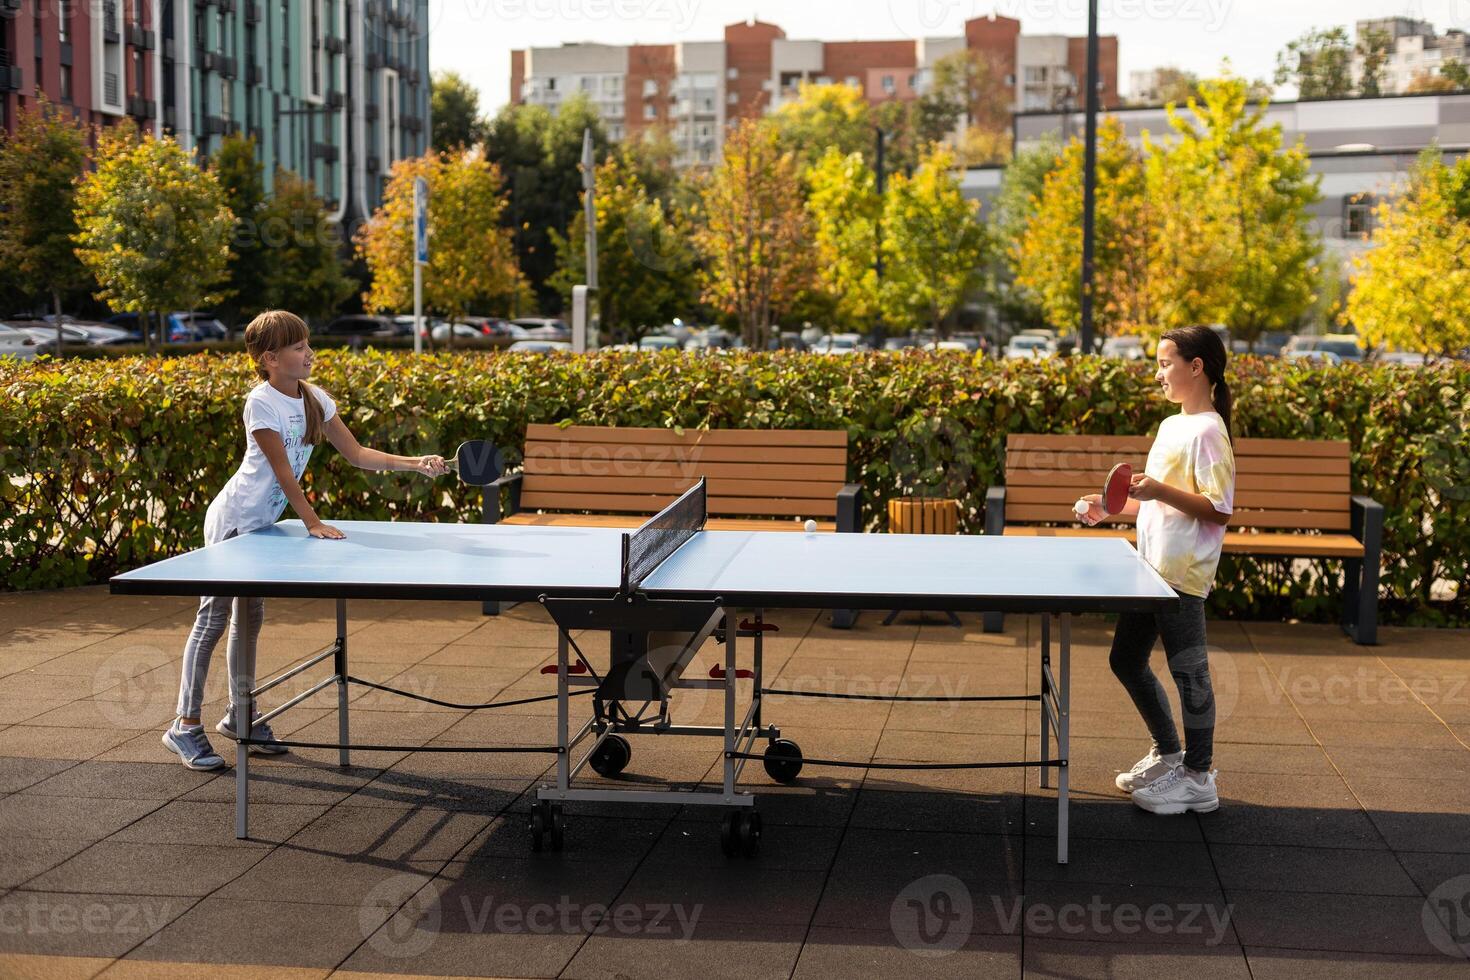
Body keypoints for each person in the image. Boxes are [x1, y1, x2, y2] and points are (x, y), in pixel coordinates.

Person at [162, 310, 448, 770]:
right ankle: (185, 726)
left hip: (261, 526)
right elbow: (281, 471)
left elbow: (356, 455)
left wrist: (414, 462)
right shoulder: (261, 402)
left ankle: (242, 716)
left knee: (249, 616)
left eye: (307, 343)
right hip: (234, 521)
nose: (309, 352)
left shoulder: (315, 399)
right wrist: (312, 522)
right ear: (270, 358)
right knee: (213, 618)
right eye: (298, 347)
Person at [1077, 324, 1235, 814]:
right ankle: (1170, 754)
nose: (1159, 373)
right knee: (1126, 660)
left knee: (1190, 672)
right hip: (1151, 568)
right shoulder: (1172, 426)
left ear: (1196, 367)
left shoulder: (1210, 430)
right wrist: (1108, 508)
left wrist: (1158, 490)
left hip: (1182, 573)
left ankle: (1198, 776)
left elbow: (1219, 507)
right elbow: (1155, 500)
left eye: (1166, 363)